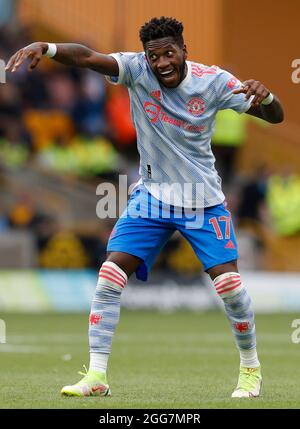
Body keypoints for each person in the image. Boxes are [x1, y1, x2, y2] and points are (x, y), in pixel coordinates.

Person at [6, 16, 284, 399]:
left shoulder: (213, 81)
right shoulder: (136, 70)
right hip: (152, 197)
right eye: (154, 57)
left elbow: (275, 116)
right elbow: (87, 56)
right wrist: (49, 48)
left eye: (169, 53)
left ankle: (251, 369)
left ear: (184, 50)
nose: (162, 63)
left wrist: (265, 97)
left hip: (202, 201)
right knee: (109, 275)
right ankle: (97, 375)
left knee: (230, 287)